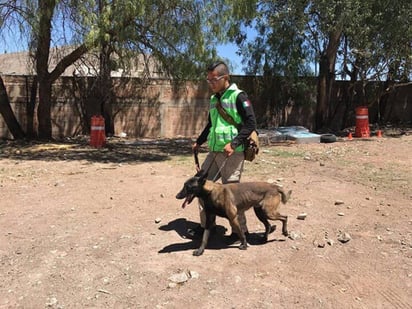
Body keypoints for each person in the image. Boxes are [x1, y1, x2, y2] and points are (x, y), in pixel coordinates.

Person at [189, 60, 257, 238]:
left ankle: (240, 232)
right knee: (200, 187)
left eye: (213, 80)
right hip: (214, 153)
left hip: (232, 154)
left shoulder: (238, 96)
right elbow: (211, 123)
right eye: (208, 80)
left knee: (232, 194)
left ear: (225, 78)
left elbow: (251, 123)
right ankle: (206, 227)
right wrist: (199, 141)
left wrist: (234, 144)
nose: (210, 84)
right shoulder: (214, 99)